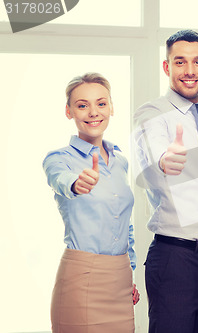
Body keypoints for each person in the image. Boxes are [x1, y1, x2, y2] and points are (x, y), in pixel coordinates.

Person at [133, 29, 198, 333]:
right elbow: (156, 149)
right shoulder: (152, 113)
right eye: (180, 62)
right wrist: (165, 158)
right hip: (176, 259)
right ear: (167, 67)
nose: (190, 71)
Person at [43, 72, 139, 333]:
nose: (93, 112)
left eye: (101, 103)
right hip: (81, 279)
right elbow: (59, 179)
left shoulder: (120, 161)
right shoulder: (58, 159)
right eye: (82, 105)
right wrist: (76, 183)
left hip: (120, 280)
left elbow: (124, 223)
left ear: (111, 107)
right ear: (69, 111)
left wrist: (128, 271)